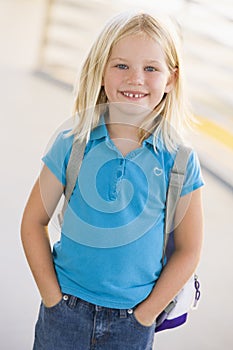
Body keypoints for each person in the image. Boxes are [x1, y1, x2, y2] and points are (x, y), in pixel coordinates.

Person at [21, 11, 204, 350]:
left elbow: (189, 250)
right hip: (64, 313)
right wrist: (51, 298)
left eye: (151, 68)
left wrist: (145, 315)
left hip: (131, 323)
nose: (136, 78)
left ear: (171, 80)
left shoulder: (179, 160)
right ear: (101, 72)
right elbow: (33, 222)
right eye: (122, 66)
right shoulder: (72, 144)